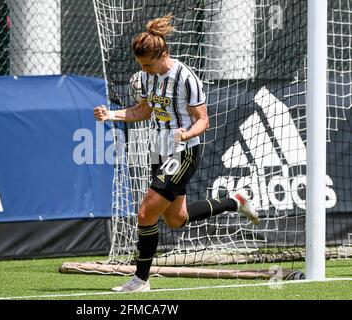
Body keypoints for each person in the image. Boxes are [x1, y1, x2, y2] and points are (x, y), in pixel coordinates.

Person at [94, 14, 259, 292]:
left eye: (148, 64)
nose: (144, 70)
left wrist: (186, 133)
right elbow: (143, 111)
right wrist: (111, 114)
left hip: (183, 153)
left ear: (163, 55)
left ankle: (140, 279)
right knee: (176, 219)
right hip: (158, 152)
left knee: (146, 212)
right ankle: (235, 201)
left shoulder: (185, 78)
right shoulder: (146, 78)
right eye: (141, 66)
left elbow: (203, 120)